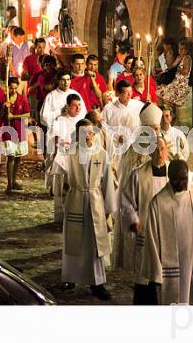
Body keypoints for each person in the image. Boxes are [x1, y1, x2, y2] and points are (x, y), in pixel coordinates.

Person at [54, 119, 116, 300]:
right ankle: (70, 277)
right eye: (83, 133)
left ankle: (97, 283)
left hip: (95, 200)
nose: (88, 136)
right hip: (75, 198)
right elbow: (58, 175)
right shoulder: (69, 152)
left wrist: (108, 208)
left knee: (94, 243)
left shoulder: (102, 154)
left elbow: (108, 183)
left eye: (90, 132)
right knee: (73, 241)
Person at [141, 160, 193, 304]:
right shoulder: (159, 202)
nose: (181, 183)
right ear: (169, 177)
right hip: (171, 266)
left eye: (184, 179)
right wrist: (155, 272)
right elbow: (152, 240)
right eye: (176, 180)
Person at [120, 136, 169, 304]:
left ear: (167, 150)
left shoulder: (175, 174)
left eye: (162, 149)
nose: (159, 153)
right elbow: (126, 201)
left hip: (167, 233)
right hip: (146, 231)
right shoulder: (138, 175)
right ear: (149, 151)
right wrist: (133, 221)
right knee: (145, 275)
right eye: (155, 149)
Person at [48, 94, 85, 222]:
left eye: (79, 105)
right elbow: (56, 138)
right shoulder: (60, 120)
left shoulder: (82, 120)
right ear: (68, 106)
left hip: (78, 155)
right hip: (63, 154)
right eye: (75, 105)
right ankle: (61, 215)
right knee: (62, 185)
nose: (78, 108)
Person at [1, 77, 30, 194]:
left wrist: (14, 117)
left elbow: (27, 113)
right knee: (11, 156)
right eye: (10, 88)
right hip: (8, 131)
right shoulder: (3, 99)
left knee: (18, 156)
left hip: (20, 130)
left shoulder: (22, 99)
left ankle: (14, 180)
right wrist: (4, 108)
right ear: (7, 88)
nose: (13, 90)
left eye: (14, 88)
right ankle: (9, 183)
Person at [101, 79, 144, 147]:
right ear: (117, 93)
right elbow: (103, 126)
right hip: (115, 145)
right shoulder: (108, 108)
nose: (129, 95)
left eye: (131, 91)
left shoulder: (138, 105)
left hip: (134, 144)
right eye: (125, 93)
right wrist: (117, 136)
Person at [156, 38, 192, 108]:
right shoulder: (179, 57)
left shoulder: (187, 58)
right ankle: (169, 111)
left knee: (167, 96)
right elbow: (171, 66)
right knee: (160, 92)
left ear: (187, 50)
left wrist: (179, 69)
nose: (180, 51)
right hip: (176, 81)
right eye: (179, 49)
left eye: (183, 49)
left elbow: (186, 72)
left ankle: (171, 111)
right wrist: (161, 70)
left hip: (182, 83)